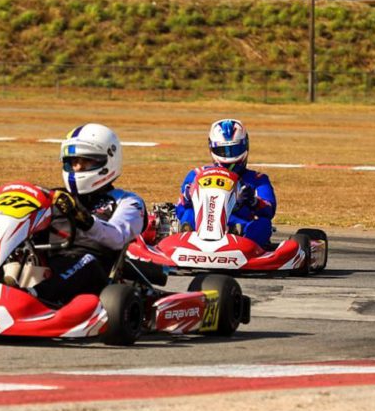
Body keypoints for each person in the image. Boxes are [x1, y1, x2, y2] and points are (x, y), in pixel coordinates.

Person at [26, 123, 146, 306]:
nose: (78, 168)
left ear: (107, 160)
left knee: (85, 262)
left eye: (86, 161)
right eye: (73, 162)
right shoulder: (56, 197)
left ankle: (33, 298)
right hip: (47, 262)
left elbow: (116, 237)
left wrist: (85, 220)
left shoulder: (128, 201)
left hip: (95, 274)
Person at [175, 118, 276, 248]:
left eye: (234, 150)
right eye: (223, 150)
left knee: (263, 224)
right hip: (202, 225)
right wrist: (188, 196)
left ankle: (241, 241)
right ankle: (186, 237)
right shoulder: (197, 174)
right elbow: (179, 210)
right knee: (188, 213)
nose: (229, 156)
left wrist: (253, 201)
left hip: (239, 225)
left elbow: (269, 211)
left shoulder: (257, 179)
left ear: (245, 146)